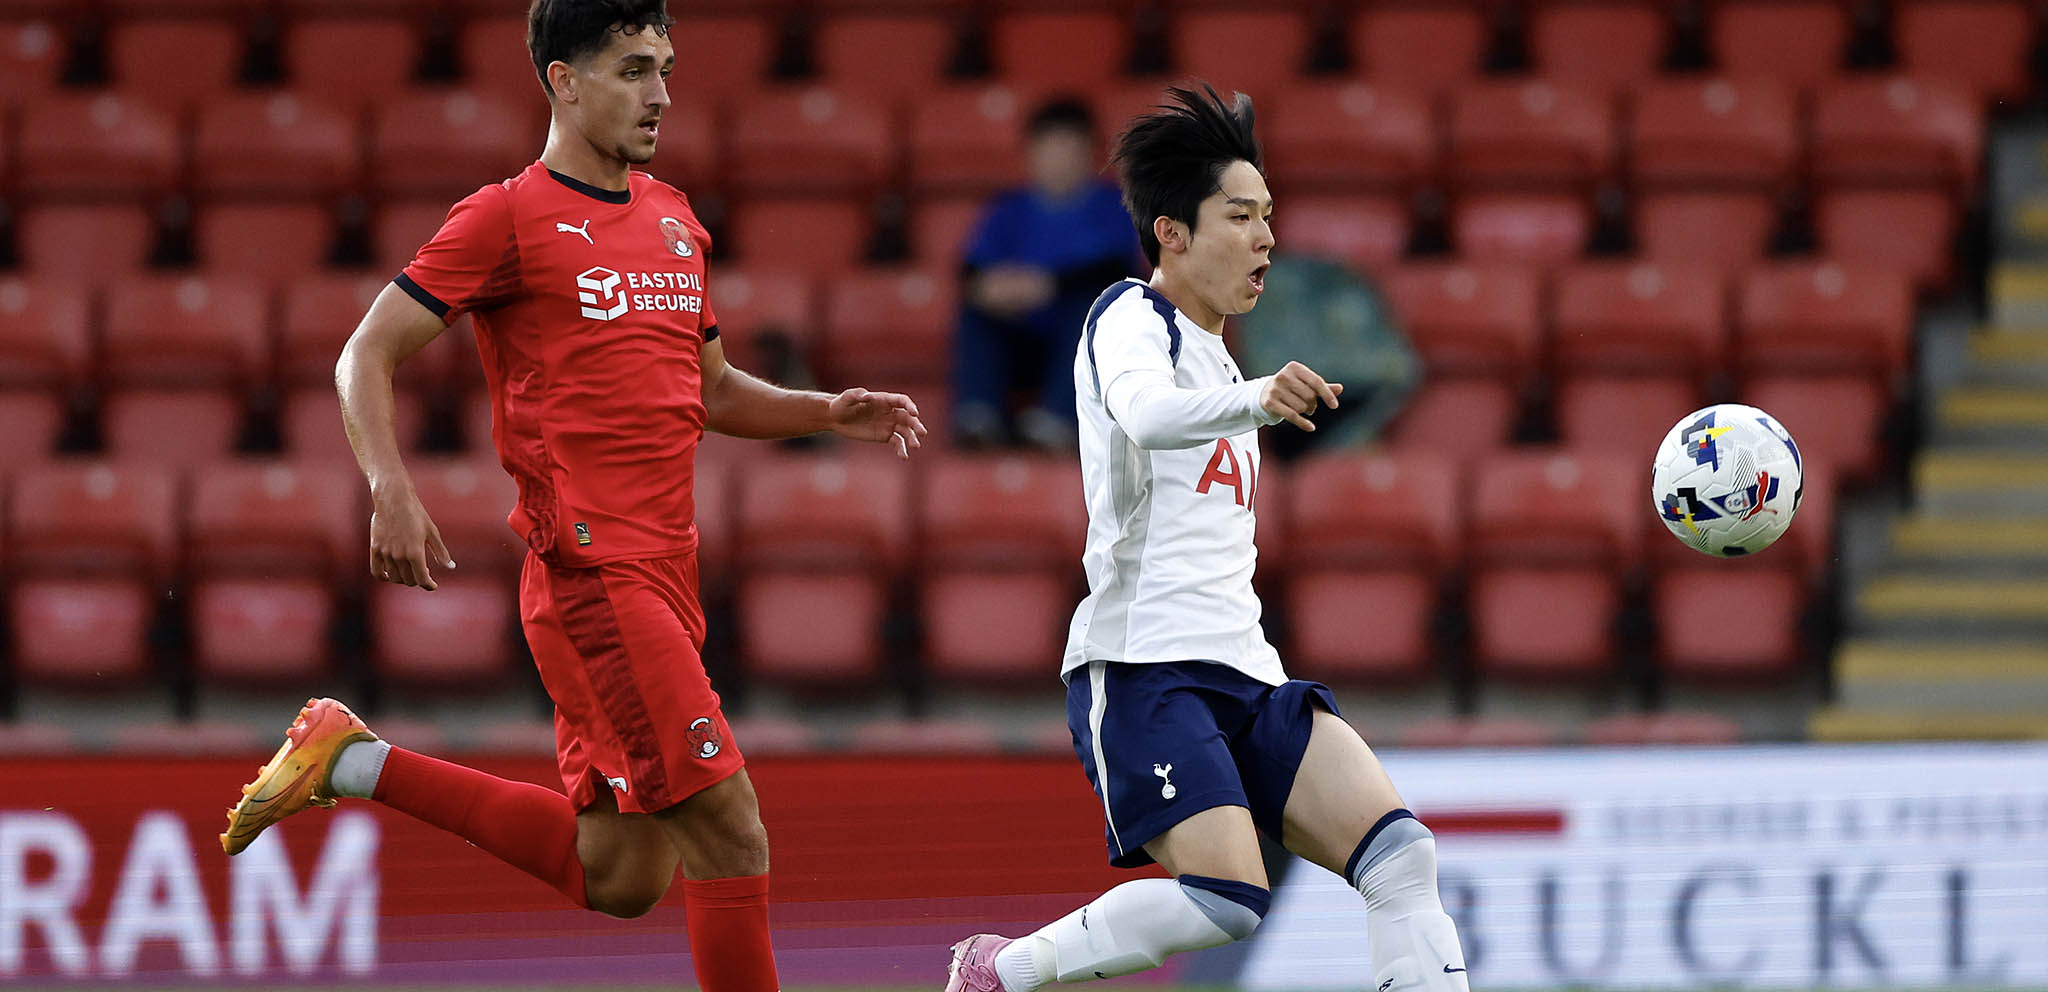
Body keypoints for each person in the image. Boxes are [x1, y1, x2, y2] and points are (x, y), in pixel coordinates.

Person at [218, 4, 924, 992]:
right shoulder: (505, 217)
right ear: (564, 80)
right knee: (730, 828)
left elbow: (713, 389)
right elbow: (364, 352)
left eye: (665, 68)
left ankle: (352, 761)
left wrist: (825, 411)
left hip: (668, 574)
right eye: (633, 70)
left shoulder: (675, 218)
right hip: (594, 573)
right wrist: (390, 486)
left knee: (623, 874)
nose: (660, 94)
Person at [944, 85, 1472, 992]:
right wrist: (1259, 397)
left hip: (1246, 669)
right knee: (1227, 901)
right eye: (1240, 215)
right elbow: (1148, 417)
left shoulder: (1222, 359)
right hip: (1146, 668)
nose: (1266, 237)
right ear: (1173, 233)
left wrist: (1249, 391)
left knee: (1401, 858)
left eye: (1269, 215)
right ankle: (1005, 970)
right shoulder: (1128, 317)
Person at [953, 98, 1139, 450]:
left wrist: (1049, 285)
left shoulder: (1116, 205)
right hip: (1020, 335)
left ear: (1091, 153)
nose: (1058, 160)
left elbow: (1118, 269)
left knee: (1091, 307)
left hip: (1084, 346)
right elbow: (971, 269)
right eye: (1049, 148)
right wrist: (989, 288)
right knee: (976, 313)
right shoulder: (1008, 208)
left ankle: (1057, 420)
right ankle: (977, 418)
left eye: (1069, 148)